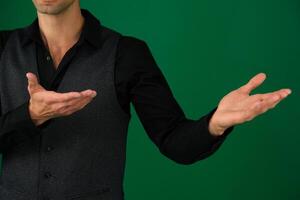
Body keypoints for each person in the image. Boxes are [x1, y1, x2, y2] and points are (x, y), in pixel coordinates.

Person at [0, 0, 292, 199]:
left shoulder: (127, 53)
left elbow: (174, 140)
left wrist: (215, 123)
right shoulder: (3, 48)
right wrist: (30, 115)